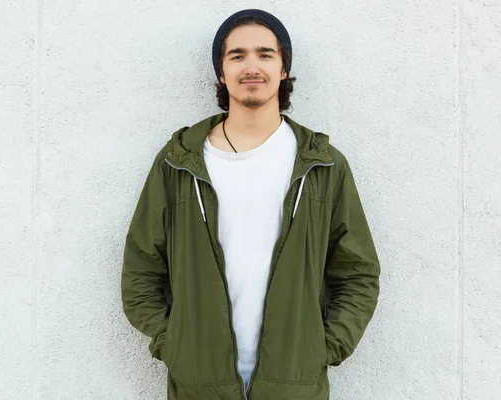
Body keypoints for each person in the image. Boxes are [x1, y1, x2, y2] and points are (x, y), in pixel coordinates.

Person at [121, 9, 380, 400]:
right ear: (222, 73)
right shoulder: (179, 162)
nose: (252, 67)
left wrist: (321, 349)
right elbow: (141, 269)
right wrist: (173, 344)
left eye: (265, 54)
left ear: (284, 70)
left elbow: (359, 273)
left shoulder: (321, 165)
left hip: (294, 386)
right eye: (237, 56)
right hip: (198, 386)